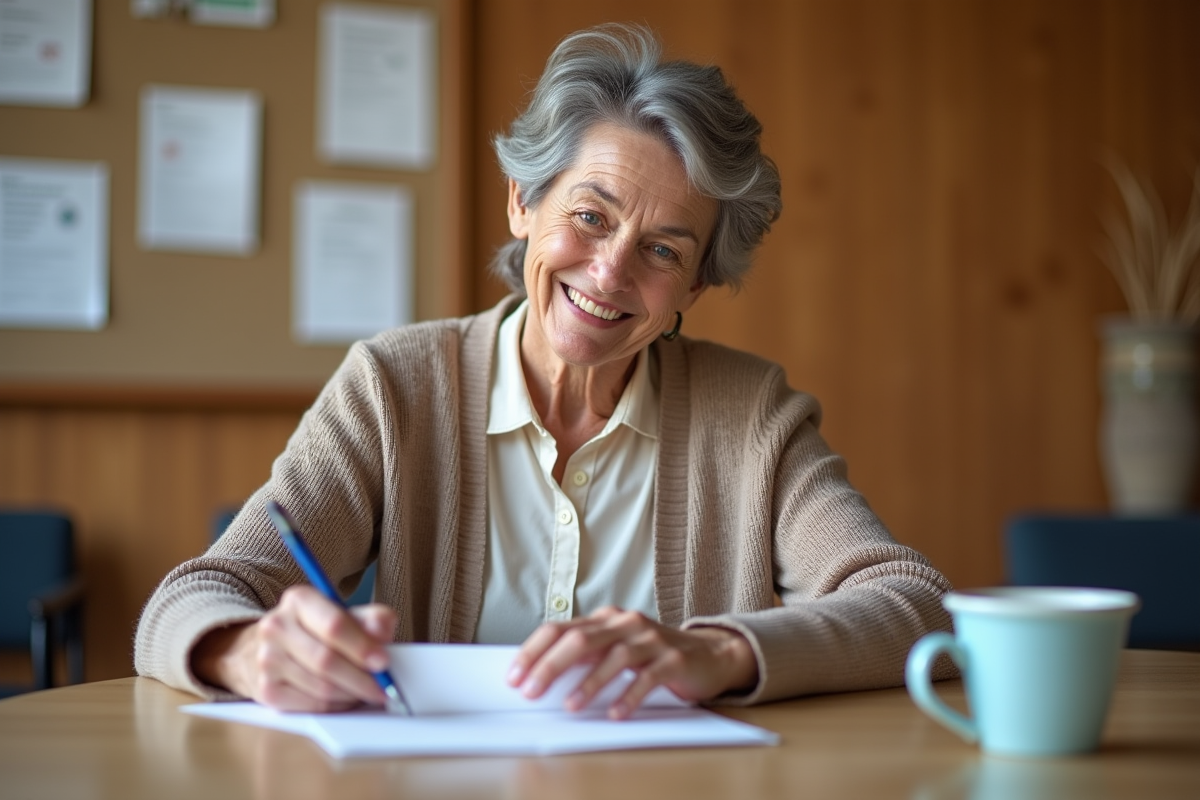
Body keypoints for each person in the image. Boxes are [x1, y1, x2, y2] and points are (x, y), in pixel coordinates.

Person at [134, 23, 953, 717]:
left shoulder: (753, 416)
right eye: (589, 216)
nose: (608, 273)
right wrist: (243, 653)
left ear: (697, 284)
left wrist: (718, 650)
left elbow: (912, 606)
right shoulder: (395, 386)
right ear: (522, 202)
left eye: (662, 249)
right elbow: (190, 599)